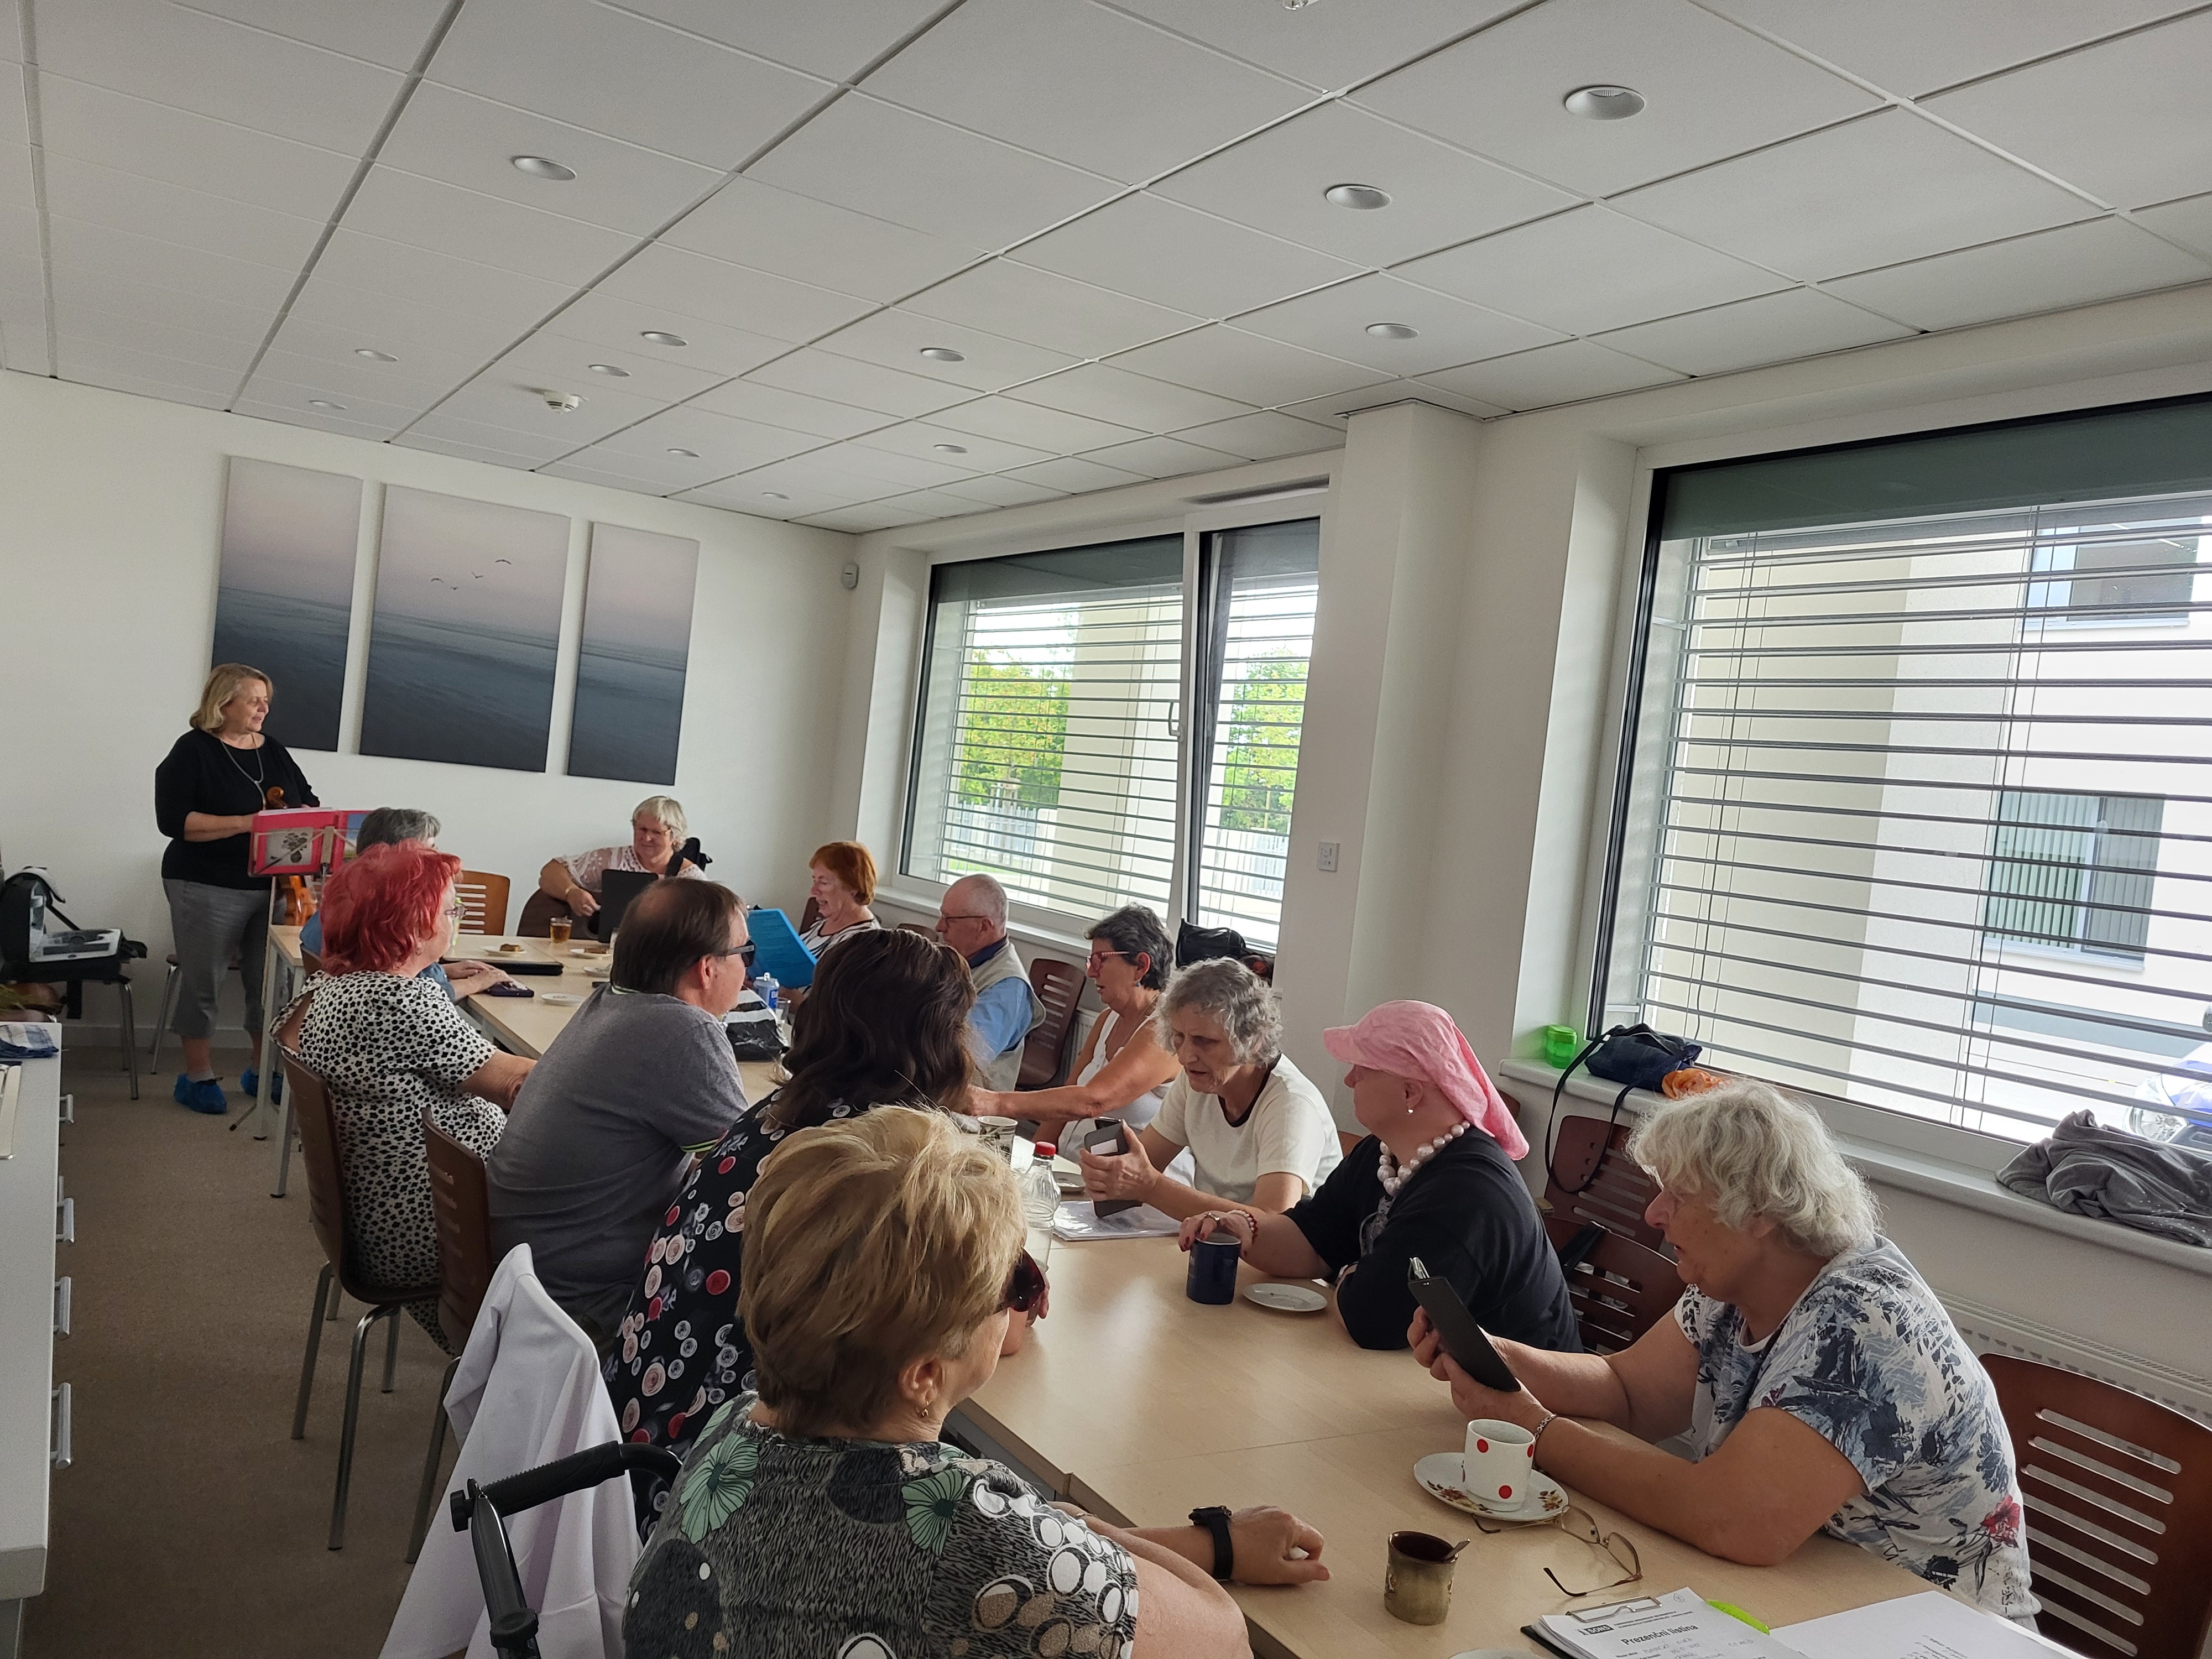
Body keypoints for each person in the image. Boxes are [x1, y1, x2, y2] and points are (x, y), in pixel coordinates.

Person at [623, 1106, 1330, 1659]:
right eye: (1015, 1282)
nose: (1027, 1301)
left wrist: (1060, 1529)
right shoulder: (976, 1539)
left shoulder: (732, 1430)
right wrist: (1062, 1521)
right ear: (926, 1373)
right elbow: (1218, 1635)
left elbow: (1019, 1562)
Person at [1408, 1079, 2036, 1621]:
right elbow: (1627, 1393)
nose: (1654, 1214)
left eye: (1678, 1196)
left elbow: (1731, 1521)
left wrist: (1534, 1430)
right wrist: (1497, 1355)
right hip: (1810, 1600)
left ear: (1757, 1211)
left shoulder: (1863, 1324)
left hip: (1932, 1629)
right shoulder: (1734, 1286)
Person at [603, 927, 978, 1530]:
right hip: (711, 1484)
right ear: (937, 1042)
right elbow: (975, 1320)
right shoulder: (876, 1165)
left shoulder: (776, 1115)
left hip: (635, 1434)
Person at [1177, 1000, 1581, 1353]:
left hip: (1528, 1404)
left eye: (1363, 1069)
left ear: (1410, 1093)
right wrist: (1244, 1228)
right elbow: (1312, 1240)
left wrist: (1347, 1275)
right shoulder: (1383, 1151)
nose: (1349, 1079)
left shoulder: (1466, 1193)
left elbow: (1373, 1321)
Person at [487, 880, 754, 1346]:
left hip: (525, 1275)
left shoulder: (608, 1002)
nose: (748, 967)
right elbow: (750, 1171)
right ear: (707, 968)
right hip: (583, 1304)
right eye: (744, 952)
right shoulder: (684, 1030)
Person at [286, 842, 534, 1344]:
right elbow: (519, 1086)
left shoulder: (330, 986)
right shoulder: (395, 999)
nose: (455, 920)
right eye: (450, 910)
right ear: (414, 924)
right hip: (436, 1234)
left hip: (386, 1217)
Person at [154, 663, 319, 1113]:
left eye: (266, 701)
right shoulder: (192, 751)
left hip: (273, 886)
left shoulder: (274, 750)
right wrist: (250, 822)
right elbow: (175, 822)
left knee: (270, 986)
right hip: (204, 882)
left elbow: (307, 801)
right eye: (254, 701)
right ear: (223, 703)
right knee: (204, 982)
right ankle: (197, 1077)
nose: (263, 709)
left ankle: (262, 1071)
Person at [1081, 958, 1339, 1220]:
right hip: (1212, 1238)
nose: (1185, 1056)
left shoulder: (1290, 1103)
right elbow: (1138, 1167)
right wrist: (1110, 1175)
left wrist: (1151, 1188)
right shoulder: (1198, 1080)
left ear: (1253, 1040)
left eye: (1204, 1041)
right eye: (1179, 1036)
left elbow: (1272, 1223)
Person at [973, 904, 1179, 1150]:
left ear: (1141, 965)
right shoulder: (1107, 1019)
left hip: (1121, 1172)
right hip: (1075, 1163)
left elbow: (1094, 1101)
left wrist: (995, 1103)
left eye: (1101, 960)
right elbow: (1067, 1099)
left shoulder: (1165, 1031)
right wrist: (1037, 1157)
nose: (1091, 973)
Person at [298, 808, 510, 1001]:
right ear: (398, 860)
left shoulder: (337, 911)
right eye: (430, 850)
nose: (437, 857)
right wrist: (477, 983)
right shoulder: (393, 922)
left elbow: (380, 981)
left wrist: (443, 971)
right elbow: (412, 997)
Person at [933, 873, 1042, 1089]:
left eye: (950, 919)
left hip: (964, 1105)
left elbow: (958, 1060)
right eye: (941, 916)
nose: (939, 927)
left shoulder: (1007, 988)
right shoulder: (962, 959)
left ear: (984, 926)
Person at [536, 795, 698, 922]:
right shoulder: (613, 860)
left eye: (656, 832)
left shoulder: (690, 879)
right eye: (642, 829)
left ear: (675, 837)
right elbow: (550, 872)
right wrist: (570, 892)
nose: (647, 838)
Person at [796, 840, 881, 956]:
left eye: (824, 882)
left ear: (854, 886)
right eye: (815, 880)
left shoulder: (865, 941)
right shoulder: (826, 922)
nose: (813, 891)